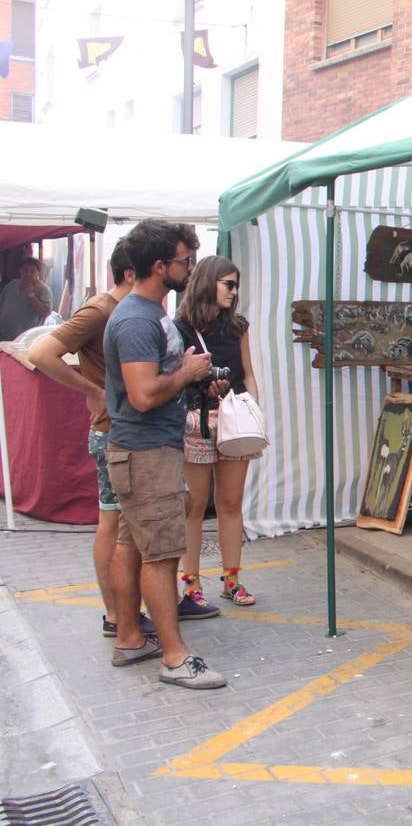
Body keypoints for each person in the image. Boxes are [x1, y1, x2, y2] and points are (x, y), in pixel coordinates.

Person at [103, 219, 227, 689]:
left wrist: (194, 377)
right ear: (159, 266)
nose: (190, 269)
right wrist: (187, 372)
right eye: (184, 261)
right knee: (162, 555)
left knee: (133, 545)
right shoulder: (136, 319)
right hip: (145, 452)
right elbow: (142, 394)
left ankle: (130, 637)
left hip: (147, 449)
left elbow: (157, 380)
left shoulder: (150, 313)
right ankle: (175, 658)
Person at [29, 240, 155, 640]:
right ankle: (116, 614)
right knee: (112, 520)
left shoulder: (123, 309)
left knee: (119, 522)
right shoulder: (102, 309)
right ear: (131, 273)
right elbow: (42, 352)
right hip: (111, 429)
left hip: (127, 429)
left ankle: (123, 611)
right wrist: (92, 390)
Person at [174, 256, 263, 614]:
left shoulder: (238, 327)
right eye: (228, 284)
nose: (234, 291)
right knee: (194, 506)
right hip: (197, 420)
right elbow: (177, 375)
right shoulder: (180, 327)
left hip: (233, 421)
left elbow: (250, 372)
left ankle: (231, 579)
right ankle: (191, 585)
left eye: (236, 284)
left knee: (230, 502)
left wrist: (251, 406)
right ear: (208, 283)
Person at [0, 256, 53, 340]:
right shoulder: (12, 284)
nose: (28, 273)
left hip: (25, 339)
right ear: (20, 271)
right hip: (3, 335)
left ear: (38, 272)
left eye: (32, 271)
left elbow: (45, 313)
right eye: (25, 270)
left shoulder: (43, 290)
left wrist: (30, 293)